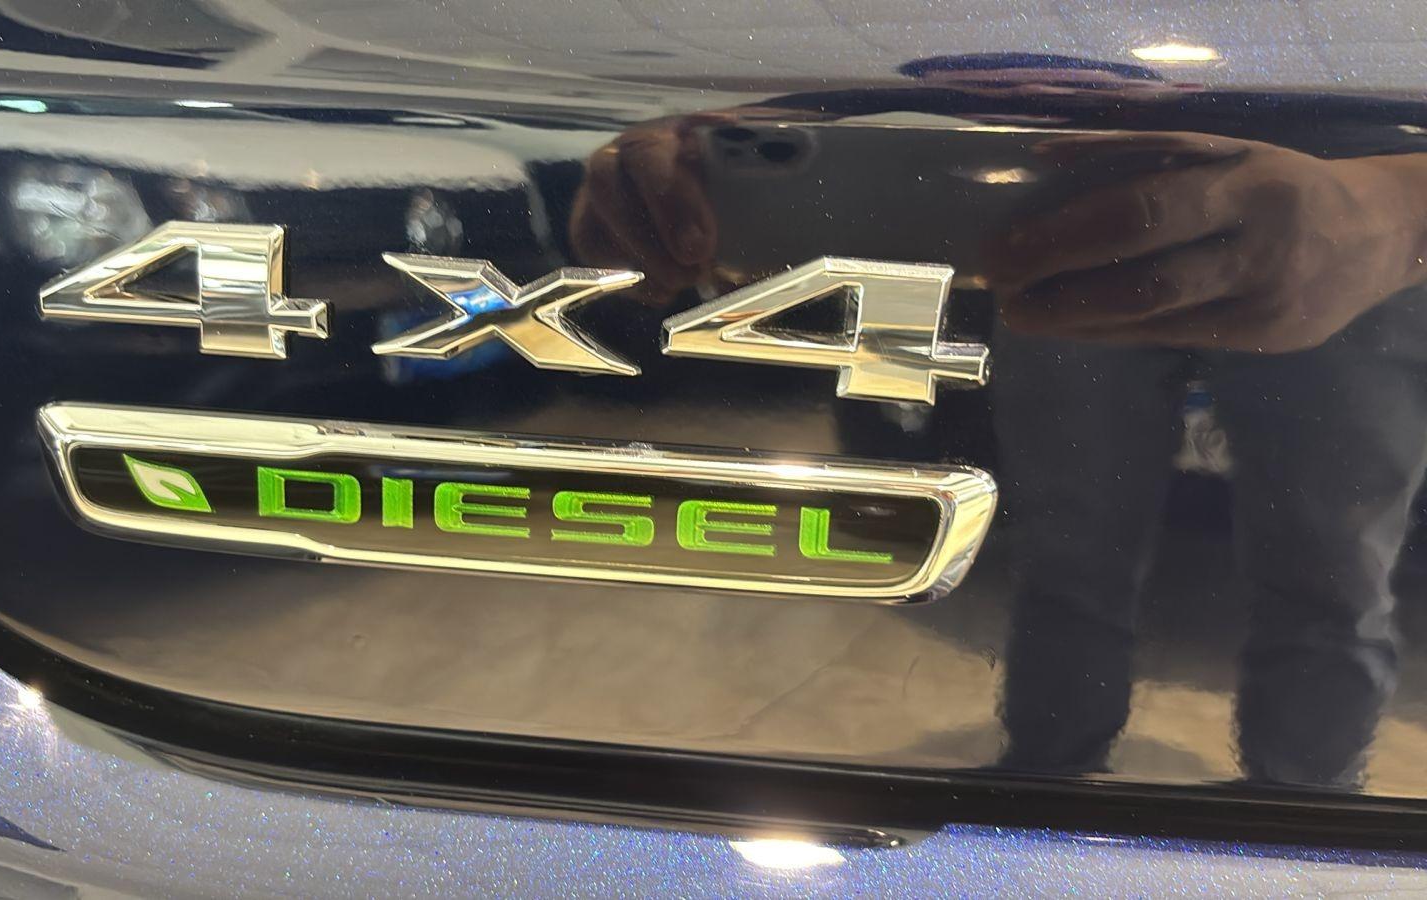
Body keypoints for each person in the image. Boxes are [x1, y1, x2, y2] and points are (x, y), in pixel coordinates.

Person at [567, 53, 1427, 786]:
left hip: (1316, 206)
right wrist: (710, 142)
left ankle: (1289, 815)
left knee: (1322, 571)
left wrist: (1400, 212)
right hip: (1081, 204)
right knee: (1095, 554)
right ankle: (1071, 793)